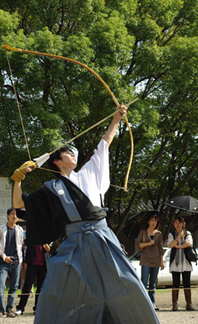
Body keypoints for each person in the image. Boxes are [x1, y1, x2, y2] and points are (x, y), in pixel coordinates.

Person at [12, 104, 160, 324]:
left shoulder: (88, 173)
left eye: (74, 152)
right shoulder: (52, 187)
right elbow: (19, 203)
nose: (73, 154)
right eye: (67, 152)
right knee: (58, 287)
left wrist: (116, 119)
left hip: (101, 237)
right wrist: (17, 179)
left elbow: (105, 143)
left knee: (124, 280)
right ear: (56, 160)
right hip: (74, 244)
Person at [0, 207, 24, 318]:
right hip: (3, 261)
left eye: (16, 215)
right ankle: (0, 309)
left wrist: (20, 260)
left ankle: (9, 309)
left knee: (14, 286)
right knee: (1, 284)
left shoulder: (20, 230)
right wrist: (4, 257)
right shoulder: (1, 229)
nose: (14, 216)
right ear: (7, 216)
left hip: (16, 261)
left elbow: (20, 245)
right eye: (12, 214)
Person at [135, 214, 164, 310]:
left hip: (156, 260)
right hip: (145, 260)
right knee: (144, 281)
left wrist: (161, 261)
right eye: (152, 220)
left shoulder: (159, 234)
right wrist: (148, 243)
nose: (153, 223)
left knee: (153, 282)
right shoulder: (143, 232)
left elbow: (160, 248)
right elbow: (138, 245)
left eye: (155, 221)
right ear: (148, 221)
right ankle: (143, 302)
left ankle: (152, 303)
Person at [167, 216, 195, 311]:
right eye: (175, 223)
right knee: (175, 283)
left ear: (183, 224)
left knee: (187, 283)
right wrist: (178, 236)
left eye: (179, 223)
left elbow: (189, 243)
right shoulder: (171, 234)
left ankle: (189, 303)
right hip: (175, 261)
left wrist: (178, 246)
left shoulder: (188, 233)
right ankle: (174, 304)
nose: (177, 225)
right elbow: (170, 245)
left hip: (186, 261)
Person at [15, 243, 50, 315]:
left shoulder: (47, 236)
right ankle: (20, 308)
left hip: (43, 264)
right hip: (32, 262)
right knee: (27, 286)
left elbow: (48, 249)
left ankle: (37, 308)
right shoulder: (32, 234)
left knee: (40, 287)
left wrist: (45, 243)